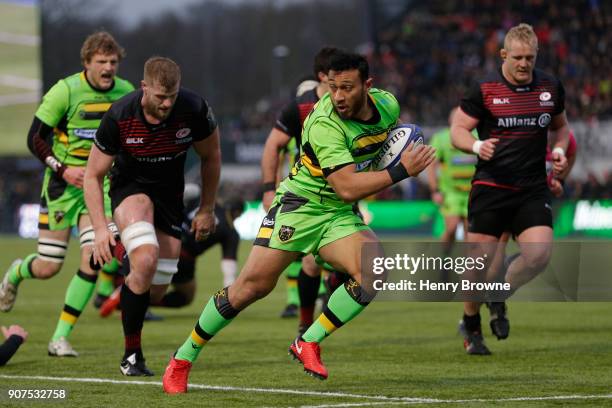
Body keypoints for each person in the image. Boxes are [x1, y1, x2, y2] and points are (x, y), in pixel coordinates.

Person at [162, 50, 435, 393]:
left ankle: (308, 341)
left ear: (368, 86)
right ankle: (182, 359)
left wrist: (392, 155)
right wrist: (400, 170)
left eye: (347, 88)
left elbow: (380, 147)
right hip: (299, 207)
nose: (338, 97)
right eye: (333, 87)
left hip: (335, 215)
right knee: (251, 289)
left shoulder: (388, 107)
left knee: (374, 268)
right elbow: (347, 187)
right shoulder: (323, 124)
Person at [0, 31, 133, 357]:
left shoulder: (126, 92)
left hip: (99, 186)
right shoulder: (65, 90)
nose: (108, 68)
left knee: (94, 257)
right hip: (63, 185)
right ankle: (17, 272)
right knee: (48, 267)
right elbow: (35, 138)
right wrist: (62, 169)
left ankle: (59, 337)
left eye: (113, 61)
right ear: (86, 63)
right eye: (101, 61)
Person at [85, 56, 221, 376]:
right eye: (160, 96)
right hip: (130, 189)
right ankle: (132, 357)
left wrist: (207, 208)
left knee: (155, 289)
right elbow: (93, 175)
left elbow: (211, 156)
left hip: (170, 197)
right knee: (145, 260)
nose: (166, 103)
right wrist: (100, 228)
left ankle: (129, 266)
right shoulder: (120, 114)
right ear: (144, 87)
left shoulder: (194, 109)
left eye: (172, 96)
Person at [450, 23, 569, 355]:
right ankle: (471, 325)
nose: (524, 64)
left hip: (531, 189)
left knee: (539, 256)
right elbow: (457, 129)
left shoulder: (550, 86)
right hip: (491, 187)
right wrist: (475, 147)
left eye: (530, 57)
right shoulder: (484, 88)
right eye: (517, 57)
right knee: (476, 265)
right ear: (504, 54)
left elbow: (561, 130)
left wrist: (559, 152)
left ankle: (499, 293)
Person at [261, 46, 338, 331]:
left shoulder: (353, 104)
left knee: (359, 267)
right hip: (307, 195)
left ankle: (331, 284)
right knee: (308, 263)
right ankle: (305, 327)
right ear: (322, 77)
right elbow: (273, 146)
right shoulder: (300, 107)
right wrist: (269, 188)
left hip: (343, 193)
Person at [98, 193, 245, 316]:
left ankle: (122, 294)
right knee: (186, 295)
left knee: (141, 270)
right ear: (237, 213)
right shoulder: (230, 231)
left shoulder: (201, 200)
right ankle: (134, 301)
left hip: (165, 237)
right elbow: (228, 267)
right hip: (185, 256)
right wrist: (230, 298)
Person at [427, 107, 477, 277]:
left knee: (470, 232)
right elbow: (431, 164)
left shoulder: (477, 135)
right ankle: (445, 259)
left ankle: (468, 269)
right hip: (451, 193)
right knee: (452, 227)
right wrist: (435, 189)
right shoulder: (441, 138)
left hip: (473, 192)